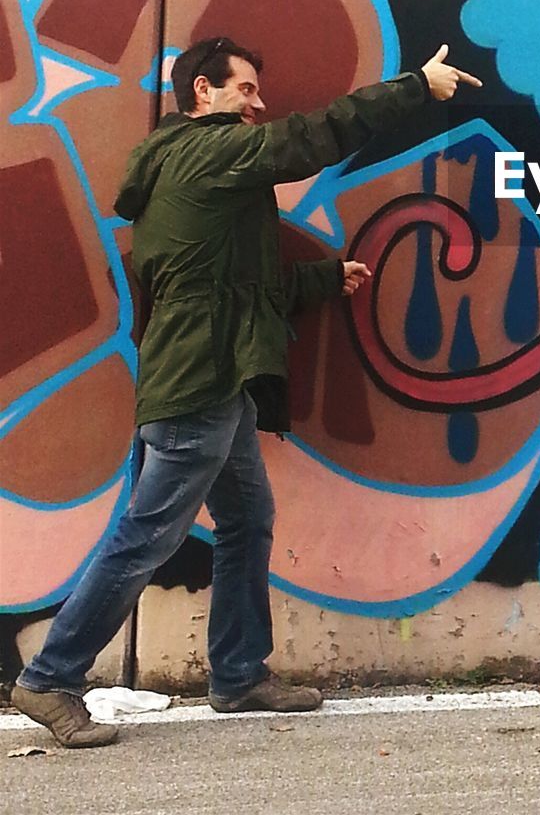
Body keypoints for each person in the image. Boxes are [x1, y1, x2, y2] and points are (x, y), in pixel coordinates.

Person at [12, 37, 481, 747]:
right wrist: (416, 84)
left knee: (247, 518)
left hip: (216, 374)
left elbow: (229, 285)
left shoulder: (189, 168)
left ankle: (236, 674)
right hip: (201, 380)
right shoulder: (209, 150)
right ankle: (50, 679)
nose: (258, 105)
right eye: (246, 90)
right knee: (147, 535)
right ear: (203, 92)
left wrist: (326, 280)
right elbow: (310, 138)